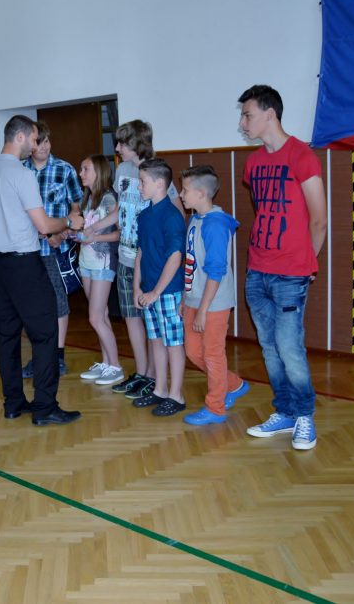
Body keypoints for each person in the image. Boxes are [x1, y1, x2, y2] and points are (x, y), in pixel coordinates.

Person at [0, 115, 83, 426]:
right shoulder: (22, 175)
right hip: (24, 263)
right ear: (20, 137)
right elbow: (44, 225)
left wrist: (8, 226)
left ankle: (13, 403)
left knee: (7, 334)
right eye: (34, 139)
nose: (36, 146)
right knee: (45, 333)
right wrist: (70, 222)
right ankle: (45, 407)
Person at [238, 84, 327, 450]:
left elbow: (318, 219)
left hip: (291, 273)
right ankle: (286, 411)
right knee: (270, 347)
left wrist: (306, 263)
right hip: (257, 270)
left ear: (269, 114)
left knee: (289, 347)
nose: (243, 123)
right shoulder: (253, 163)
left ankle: (305, 416)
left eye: (247, 115)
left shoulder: (302, 156)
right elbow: (265, 211)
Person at [110, 120, 184, 400]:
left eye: (122, 143)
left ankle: (156, 378)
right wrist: (94, 228)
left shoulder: (156, 173)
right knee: (133, 318)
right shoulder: (122, 171)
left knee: (158, 328)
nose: (118, 148)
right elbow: (120, 210)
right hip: (129, 256)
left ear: (136, 143)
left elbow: (176, 216)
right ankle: (143, 373)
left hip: (154, 266)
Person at [178, 165, 250, 425]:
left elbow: (216, 271)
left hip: (213, 303)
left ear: (201, 193)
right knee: (193, 351)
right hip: (194, 299)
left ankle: (216, 407)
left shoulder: (216, 225)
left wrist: (204, 309)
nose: (181, 195)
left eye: (185, 190)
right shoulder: (195, 220)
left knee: (212, 354)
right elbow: (191, 264)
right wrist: (186, 298)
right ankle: (234, 384)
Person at [22, 121, 84, 378]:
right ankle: (39, 356)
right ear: (30, 145)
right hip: (27, 249)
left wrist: (61, 233)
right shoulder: (20, 171)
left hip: (56, 250)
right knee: (32, 306)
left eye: (47, 141)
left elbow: (76, 209)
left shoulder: (64, 169)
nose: (44, 147)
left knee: (58, 302)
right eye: (39, 142)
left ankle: (57, 357)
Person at [131, 159, 187, 417]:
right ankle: (161, 389)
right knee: (155, 340)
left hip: (167, 292)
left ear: (160, 183)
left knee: (173, 343)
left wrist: (156, 292)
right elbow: (140, 253)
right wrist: (137, 288)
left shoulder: (172, 216)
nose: (139, 186)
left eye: (143, 182)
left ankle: (176, 395)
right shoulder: (144, 215)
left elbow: (175, 257)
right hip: (148, 291)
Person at [74, 155, 123, 386]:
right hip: (86, 262)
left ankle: (116, 366)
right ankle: (106, 362)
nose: (80, 173)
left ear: (99, 172)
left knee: (95, 317)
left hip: (103, 263)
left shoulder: (109, 198)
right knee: (101, 315)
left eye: (85, 169)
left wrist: (94, 236)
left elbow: (118, 234)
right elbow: (86, 231)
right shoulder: (87, 199)